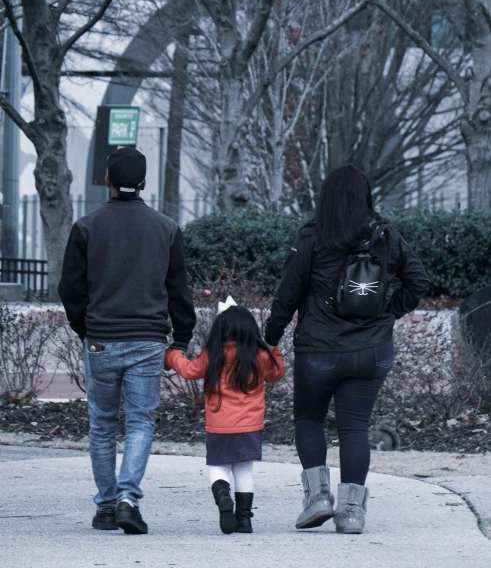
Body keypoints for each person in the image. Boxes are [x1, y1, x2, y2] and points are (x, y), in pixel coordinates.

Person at [264, 164, 429, 535]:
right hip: (372, 350)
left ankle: (318, 498)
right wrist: (389, 311)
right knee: (355, 428)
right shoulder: (386, 236)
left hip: (319, 350)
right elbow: (418, 281)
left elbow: (287, 294)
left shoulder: (312, 236)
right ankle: (352, 513)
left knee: (308, 419)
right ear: (366, 196)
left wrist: (270, 338)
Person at [58, 147, 196, 535]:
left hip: (101, 338)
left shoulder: (86, 227)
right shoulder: (166, 228)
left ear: (106, 181)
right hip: (149, 340)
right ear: (145, 184)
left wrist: (84, 328)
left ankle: (105, 505)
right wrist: (181, 336)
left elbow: (70, 287)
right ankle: (127, 499)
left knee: (101, 425)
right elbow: (178, 290)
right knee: (140, 423)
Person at [166, 297, 284, 534]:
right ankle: (244, 519)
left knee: (219, 466)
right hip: (250, 426)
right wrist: (275, 351)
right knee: (244, 469)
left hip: (219, 425)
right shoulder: (258, 356)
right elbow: (276, 374)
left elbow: (190, 371)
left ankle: (222, 496)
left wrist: (171, 356)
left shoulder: (214, 354)